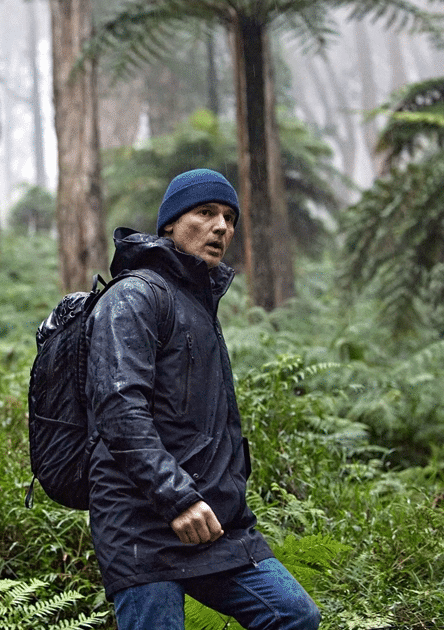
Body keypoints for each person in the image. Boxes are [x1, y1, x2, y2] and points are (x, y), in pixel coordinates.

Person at [84, 169, 320, 629]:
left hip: (212, 522)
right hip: (140, 523)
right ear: (170, 223)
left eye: (230, 218)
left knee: (293, 616)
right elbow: (119, 410)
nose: (222, 228)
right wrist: (176, 498)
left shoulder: (198, 302)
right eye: (206, 213)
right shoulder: (135, 296)